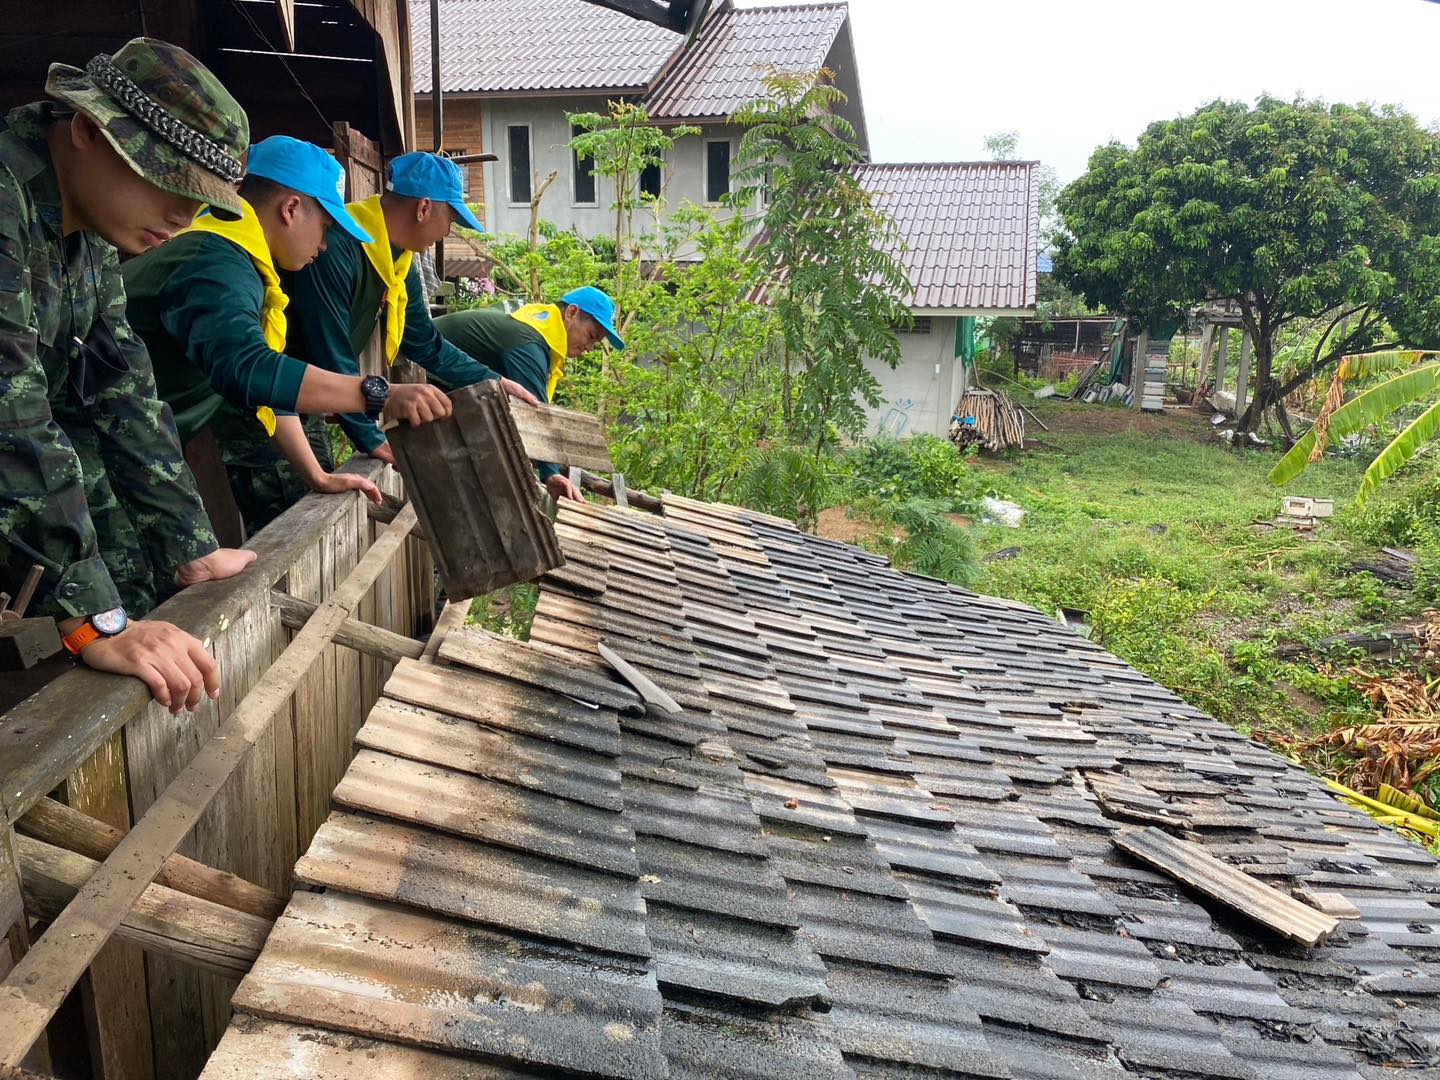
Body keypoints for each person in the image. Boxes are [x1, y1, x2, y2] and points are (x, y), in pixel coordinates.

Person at [0, 37, 262, 714]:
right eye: (171, 182)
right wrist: (95, 617)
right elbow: (10, 413)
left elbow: (124, 385)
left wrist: (191, 547)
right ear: (88, 128)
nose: (185, 216)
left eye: (201, 200)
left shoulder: (86, 231)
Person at [122, 135, 454, 533]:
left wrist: (316, 475)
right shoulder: (215, 262)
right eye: (326, 226)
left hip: (132, 442)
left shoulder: (241, 261)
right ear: (292, 209)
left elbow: (266, 388)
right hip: (96, 443)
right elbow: (249, 369)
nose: (326, 243)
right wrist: (377, 394)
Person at [285, 152, 539, 468]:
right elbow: (330, 350)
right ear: (423, 208)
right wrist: (372, 438)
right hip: (269, 394)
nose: (448, 231)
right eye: (452, 219)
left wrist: (494, 382)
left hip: (305, 398)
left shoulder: (400, 262)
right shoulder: (338, 246)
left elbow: (424, 343)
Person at [433, 286, 624, 502]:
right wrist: (550, 473)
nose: (589, 347)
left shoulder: (536, 322)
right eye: (591, 336)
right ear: (571, 313)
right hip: (415, 370)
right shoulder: (530, 343)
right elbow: (536, 412)